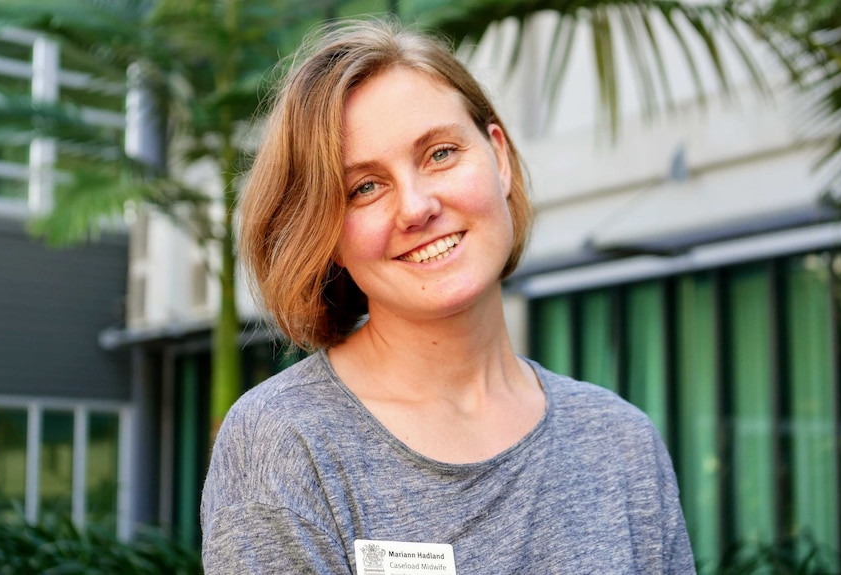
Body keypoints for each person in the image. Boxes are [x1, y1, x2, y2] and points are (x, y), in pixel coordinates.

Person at [200, 16, 695, 575]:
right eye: (365, 187)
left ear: (499, 159)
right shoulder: (288, 441)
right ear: (328, 236)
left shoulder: (619, 442)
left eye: (439, 153)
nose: (416, 207)